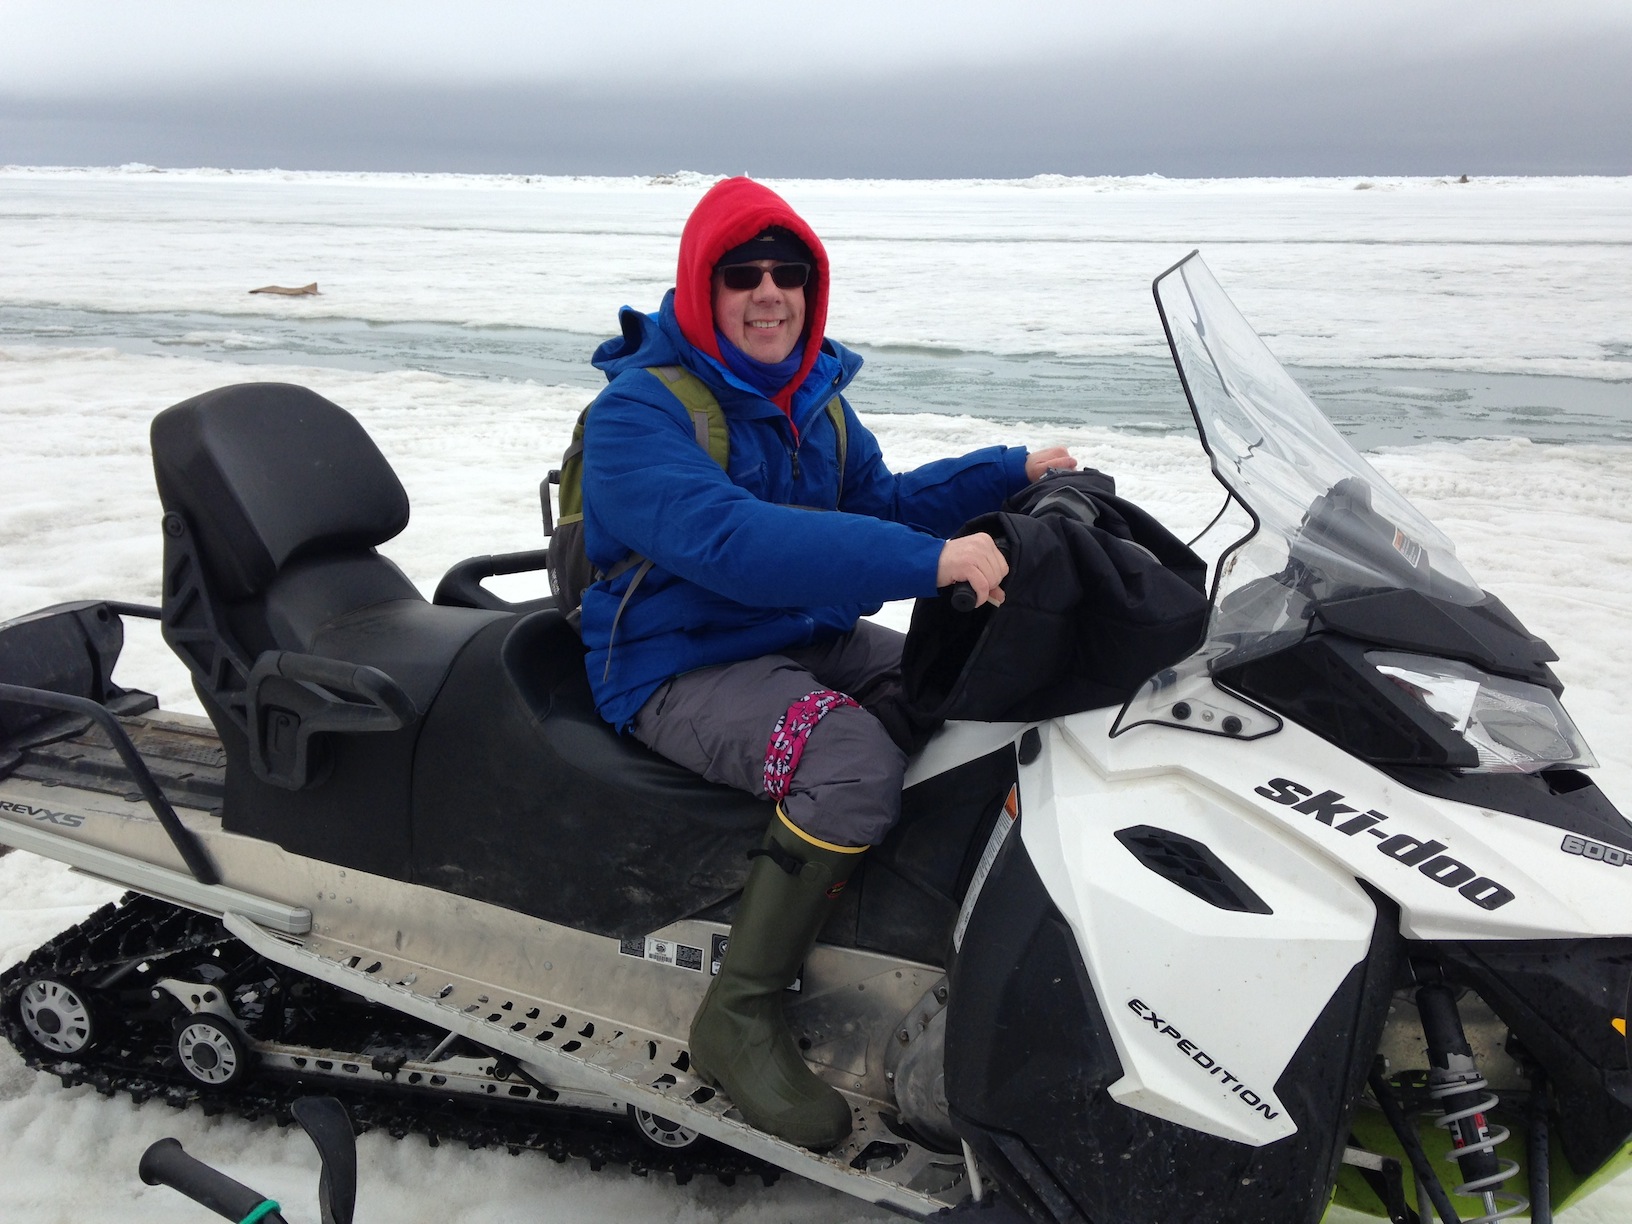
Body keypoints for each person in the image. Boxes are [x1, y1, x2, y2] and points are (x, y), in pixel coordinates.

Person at [579, 176, 1074, 1149]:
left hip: (796, 633)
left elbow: (878, 503)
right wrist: (928, 564)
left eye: (789, 273)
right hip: (674, 662)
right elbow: (733, 541)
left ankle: (915, 928)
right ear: (700, 285)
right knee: (850, 760)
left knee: (959, 704)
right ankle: (739, 1013)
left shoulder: (814, 403)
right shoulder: (639, 415)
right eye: (743, 274)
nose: (770, 293)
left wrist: (1011, 474)